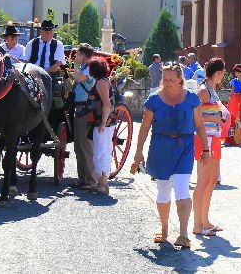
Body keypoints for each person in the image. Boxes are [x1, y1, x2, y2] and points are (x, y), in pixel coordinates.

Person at [133, 62, 207, 250]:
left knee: (182, 188)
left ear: (180, 79)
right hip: (161, 148)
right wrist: (138, 152)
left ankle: (183, 234)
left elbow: (199, 125)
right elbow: (144, 128)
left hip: (185, 147)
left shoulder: (192, 98)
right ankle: (164, 229)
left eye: (171, 79)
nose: (167, 82)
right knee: (163, 190)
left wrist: (206, 149)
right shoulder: (154, 100)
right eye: (164, 79)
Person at [193, 58, 228, 235]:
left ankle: (205, 221)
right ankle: (197, 225)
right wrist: (214, 118)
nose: (223, 76)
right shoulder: (204, 90)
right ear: (219, 72)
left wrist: (218, 118)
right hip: (204, 138)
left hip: (214, 138)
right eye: (223, 73)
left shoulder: (211, 90)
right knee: (202, 182)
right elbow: (193, 112)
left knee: (212, 180)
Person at [87, 57, 115, 194]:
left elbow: (106, 104)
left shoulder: (100, 83)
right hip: (103, 121)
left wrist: (103, 122)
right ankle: (101, 182)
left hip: (102, 122)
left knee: (101, 151)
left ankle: (103, 183)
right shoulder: (105, 81)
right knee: (103, 150)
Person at [71, 43, 97, 189]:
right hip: (79, 107)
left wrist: (75, 65)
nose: (76, 56)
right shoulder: (83, 68)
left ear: (83, 55)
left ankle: (90, 180)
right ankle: (82, 178)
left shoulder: (89, 69)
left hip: (86, 108)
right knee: (78, 146)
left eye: (78, 54)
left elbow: (78, 78)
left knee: (86, 145)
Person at [226, 64, 241, 146]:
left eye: (238, 71)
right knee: (231, 121)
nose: (236, 73)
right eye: (235, 71)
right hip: (235, 101)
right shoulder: (234, 81)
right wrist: (229, 103)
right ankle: (230, 140)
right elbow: (232, 92)